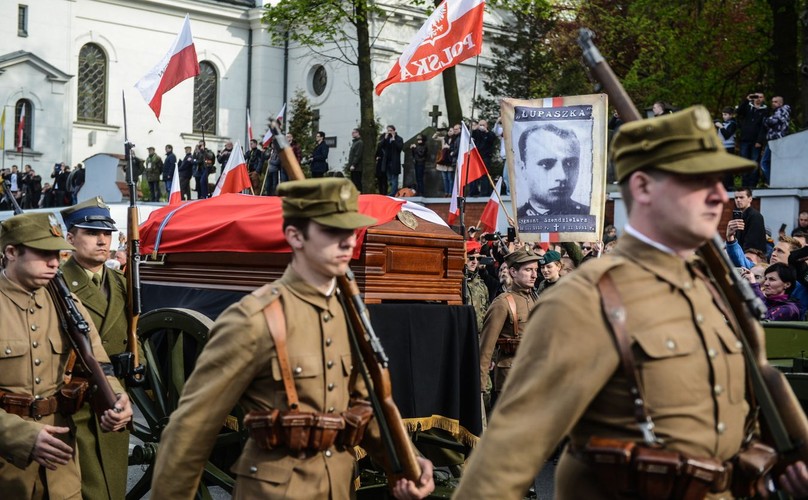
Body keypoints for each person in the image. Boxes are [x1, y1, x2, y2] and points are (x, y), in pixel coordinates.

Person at [454, 105, 808, 499]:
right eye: (697, 181)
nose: (718, 196)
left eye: (720, 181)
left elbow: (750, 395)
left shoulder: (714, 290)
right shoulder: (585, 300)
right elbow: (508, 454)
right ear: (642, 188)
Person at [150, 178, 434, 499]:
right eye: (331, 232)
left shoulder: (351, 315)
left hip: (338, 487)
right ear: (295, 236)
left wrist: (408, 463)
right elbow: (190, 430)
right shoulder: (254, 318)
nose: (347, 243)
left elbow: (365, 409)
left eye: (350, 232)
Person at [0, 212, 133, 499]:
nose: (54, 262)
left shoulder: (66, 303)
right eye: (43, 253)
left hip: (62, 458)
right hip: (6, 462)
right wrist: (19, 436)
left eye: (56, 253)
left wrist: (117, 398)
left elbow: (98, 362)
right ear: (11, 252)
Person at [59, 197, 131, 500]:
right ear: (70, 238)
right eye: (90, 233)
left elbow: (132, 333)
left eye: (107, 234)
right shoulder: (56, 283)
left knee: (113, 486)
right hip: (75, 404)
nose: (102, 240)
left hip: (116, 398)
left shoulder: (119, 282)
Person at [477, 247, 540, 405]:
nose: (534, 275)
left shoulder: (534, 298)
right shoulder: (503, 302)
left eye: (535, 270)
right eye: (528, 270)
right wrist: (480, 385)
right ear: (513, 272)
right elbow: (486, 347)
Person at [515, 124, 589, 216]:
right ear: (523, 169)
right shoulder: (516, 217)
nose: (563, 176)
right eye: (546, 164)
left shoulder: (589, 215)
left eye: (571, 164)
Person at [737, 91, 767, 187]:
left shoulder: (765, 110)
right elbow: (738, 112)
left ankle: (752, 185)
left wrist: (759, 140)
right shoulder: (748, 107)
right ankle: (744, 185)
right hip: (745, 140)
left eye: (760, 97)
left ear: (763, 99)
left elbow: (764, 127)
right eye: (756, 96)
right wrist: (747, 100)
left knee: (754, 162)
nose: (758, 99)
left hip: (756, 141)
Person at [760, 95, 791, 186]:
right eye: (772, 101)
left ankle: (772, 183)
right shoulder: (780, 111)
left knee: (764, 162)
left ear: (781, 103)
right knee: (774, 162)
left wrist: (765, 120)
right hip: (776, 140)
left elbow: (772, 122)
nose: (773, 103)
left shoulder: (781, 110)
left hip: (776, 140)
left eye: (775, 102)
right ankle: (775, 182)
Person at [732, 187, 767, 253]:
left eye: (741, 197)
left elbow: (752, 243)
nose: (738, 200)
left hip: (751, 257)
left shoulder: (755, 216)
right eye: (736, 198)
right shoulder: (738, 215)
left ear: (750, 199)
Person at [465, 240, 489, 334]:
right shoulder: (457, 282)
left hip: (479, 337)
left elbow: (487, 309)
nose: (475, 262)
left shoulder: (481, 284)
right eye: (471, 258)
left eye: (478, 259)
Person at [381, 125, 404, 196]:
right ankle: (393, 191)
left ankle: (393, 193)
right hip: (387, 161)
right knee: (389, 178)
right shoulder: (387, 138)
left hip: (394, 162)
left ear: (394, 131)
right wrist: (384, 139)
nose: (389, 132)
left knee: (394, 178)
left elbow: (399, 148)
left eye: (390, 130)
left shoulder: (399, 139)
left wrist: (394, 140)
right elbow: (381, 146)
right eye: (388, 130)